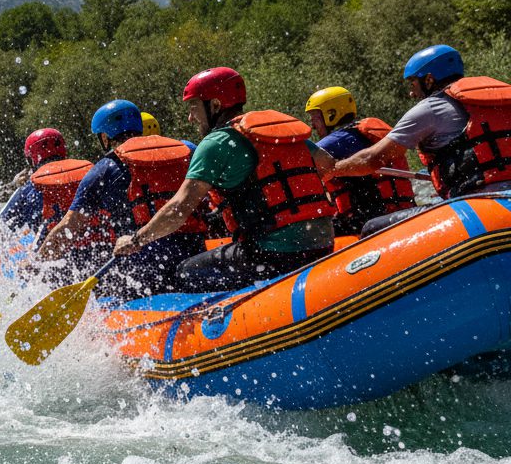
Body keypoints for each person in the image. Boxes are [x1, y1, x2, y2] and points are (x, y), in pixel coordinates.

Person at [113, 67, 335, 292]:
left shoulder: (216, 143)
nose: (191, 117)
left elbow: (179, 209)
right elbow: (327, 164)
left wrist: (137, 240)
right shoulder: (273, 131)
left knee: (185, 272)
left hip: (274, 255)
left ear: (216, 105)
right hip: (323, 243)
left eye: (193, 107)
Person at [328, 44, 511, 235]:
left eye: (413, 84)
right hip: (505, 199)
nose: (411, 93)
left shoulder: (430, 108)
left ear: (429, 79)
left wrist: (334, 169)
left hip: (477, 205)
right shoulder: (499, 104)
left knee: (371, 228)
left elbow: (372, 159)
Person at [35, 100, 205, 298]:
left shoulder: (103, 170)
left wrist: (38, 264)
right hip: (194, 253)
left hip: (144, 269)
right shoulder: (186, 150)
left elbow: (69, 227)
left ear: (105, 137)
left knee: (98, 288)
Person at [304, 86, 416, 235]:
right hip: (392, 212)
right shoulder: (357, 135)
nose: (312, 125)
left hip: (370, 221)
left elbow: (301, 159)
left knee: (312, 234)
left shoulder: (340, 140)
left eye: (315, 118)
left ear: (331, 114)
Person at [0, 128, 75, 239]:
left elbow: (2, 226)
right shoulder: (88, 177)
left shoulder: (29, 189)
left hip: (48, 251)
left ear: (32, 160)